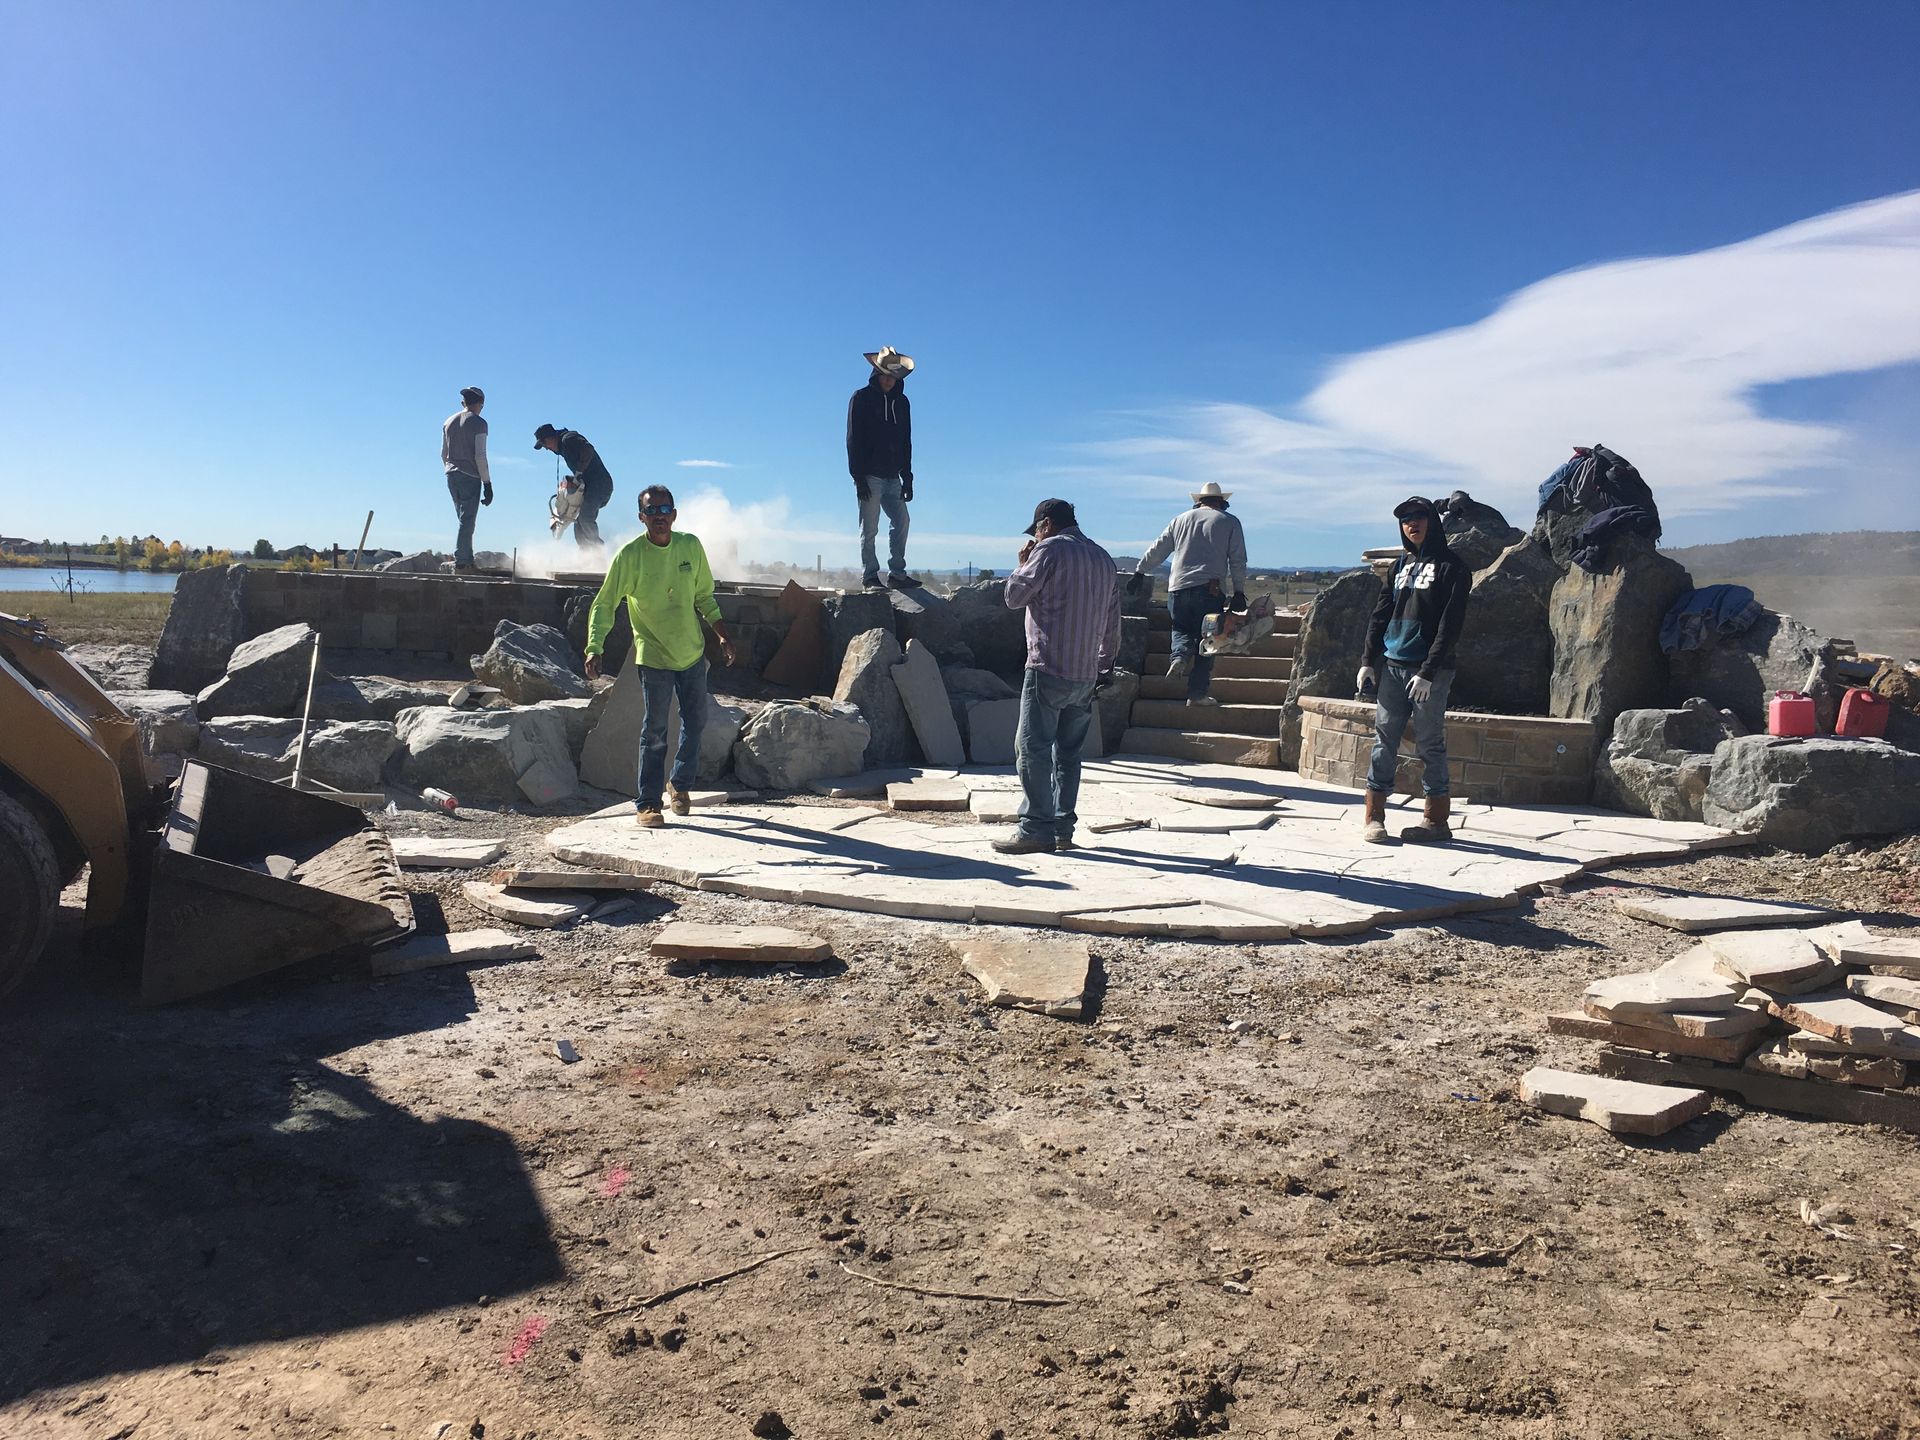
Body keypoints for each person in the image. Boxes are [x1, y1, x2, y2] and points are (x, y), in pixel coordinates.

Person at [583, 485, 738, 828]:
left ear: (674, 514)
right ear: (642, 518)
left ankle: (680, 787)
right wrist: (595, 646)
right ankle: (648, 804)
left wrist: (723, 635)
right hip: (652, 656)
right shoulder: (630, 556)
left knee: (695, 723)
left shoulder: (690, 546)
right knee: (654, 730)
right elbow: (605, 603)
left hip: (691, 653)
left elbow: (705, 598)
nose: (659, 516)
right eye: (652, 511)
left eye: (665, 509)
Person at [995, 498, 1120, 855]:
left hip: (1047, 667)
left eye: (1036, 529)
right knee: (1068, 753)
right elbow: (1112, 624)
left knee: (1031, 748)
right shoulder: (1103, 558)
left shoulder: (1047, 551)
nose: (1035, 535)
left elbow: (1014, 597)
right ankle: (1063, 829)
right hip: (1085, 674)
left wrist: (1022, 565)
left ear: (1046, 524)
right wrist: (1104, 666)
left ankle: (1036, 828)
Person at [1356, 496, 1470, 844]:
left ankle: (1436, 820)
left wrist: (1430, 670)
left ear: (1432, 521)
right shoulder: (1397, 567)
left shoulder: (1453, 567)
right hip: (1393, 666)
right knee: (1383, 741)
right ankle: (1374, 817)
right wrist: (1366, 661)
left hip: (1429, 672)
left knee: (1430, 743)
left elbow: (1451, 626)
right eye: (1405, 519)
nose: (1412, 523)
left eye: (1419, 516)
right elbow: (1380, 615)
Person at [1129, 481, 1248, 706]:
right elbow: (1237, 559)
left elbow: (1159, 548)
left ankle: (1179, 657)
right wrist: (1239, 590)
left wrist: (1140, 570)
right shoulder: (1229, 522)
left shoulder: (1180, 520)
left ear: (1198, 501)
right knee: (1209, 639)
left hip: (1178, 589)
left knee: (1181, 628)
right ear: (1222, 502)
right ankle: (1197, 693)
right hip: (1210, 590)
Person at [846, 346, 918, 590]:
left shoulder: (902, 403)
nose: (888, 380)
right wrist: (859, 478)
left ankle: (897, 573)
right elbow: (853, 439)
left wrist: (907, 478)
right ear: (876, 374)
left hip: (893, 476)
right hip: (870, 475)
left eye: (893, 376)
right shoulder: (861, 398)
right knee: (870, 528)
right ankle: (870, 576)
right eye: (885, 375)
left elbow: (906, 441)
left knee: (902, 521)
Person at [535, 423, 615, 551]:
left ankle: (599, 551)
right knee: (579, 523)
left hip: (600, 484)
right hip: (590, 487)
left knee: (586, 517)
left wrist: (579, 472)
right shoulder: (563, 448)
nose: (546, 448)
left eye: (544, 443)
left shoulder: (569, 438)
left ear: (550, 437)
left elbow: (588, 448)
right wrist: (575, 480)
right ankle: (586, 555)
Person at [441, 386, 492, 572]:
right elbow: (480, 455)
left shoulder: (448, 422)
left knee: (463, 519)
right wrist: (487, 483)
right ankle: (462, 562)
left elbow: (443, 454)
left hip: (450, 473)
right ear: (480, 403)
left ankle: (467, 557)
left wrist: (450, 470)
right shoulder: (479, 423)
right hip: (470, 475)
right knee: (468, 519)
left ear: (464, 402)